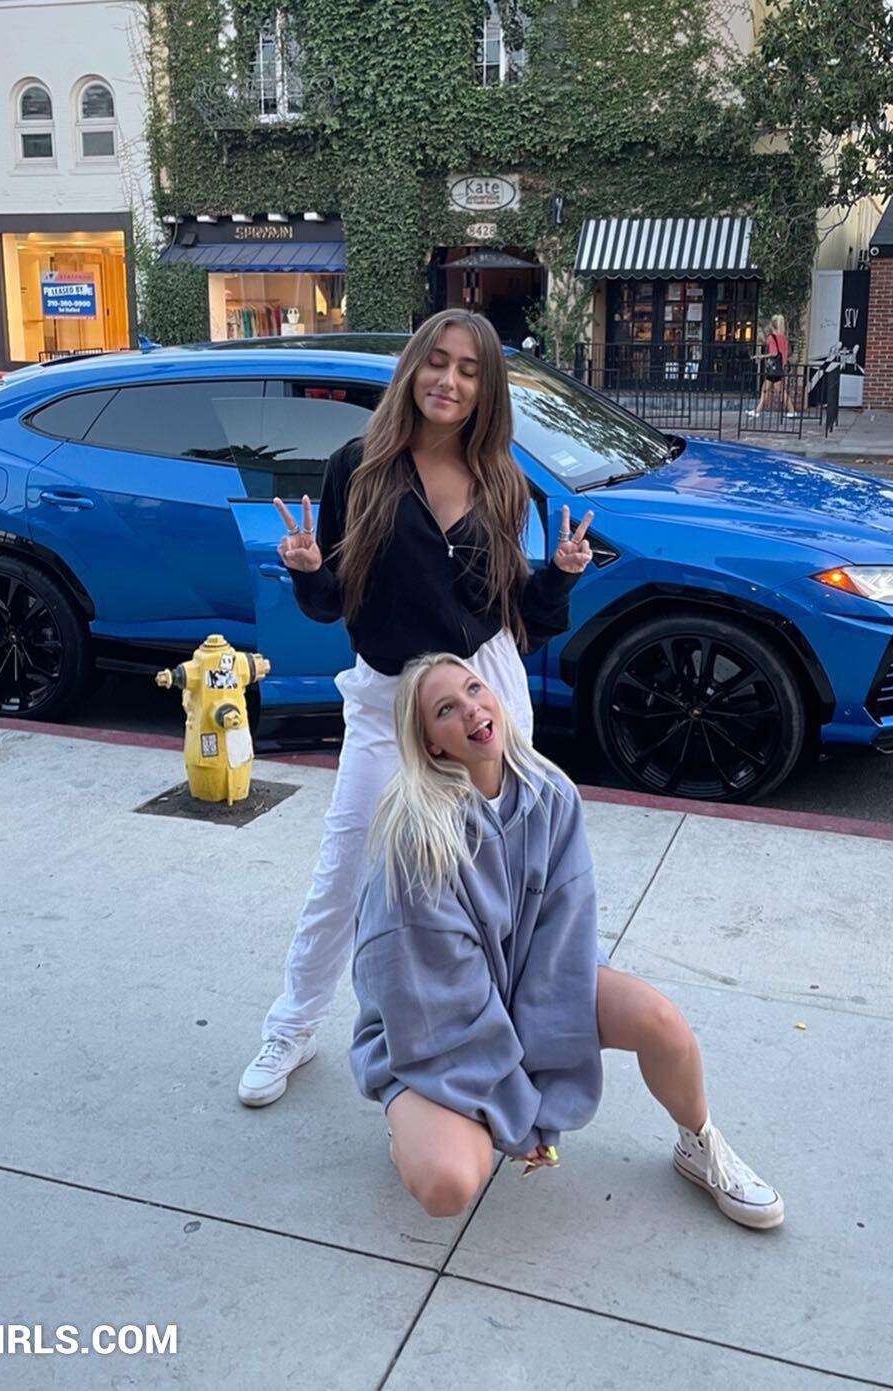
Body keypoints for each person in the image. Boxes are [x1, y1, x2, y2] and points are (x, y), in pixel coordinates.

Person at [238, 308, 595, 1106]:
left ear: (486, 387)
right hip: (389, 698)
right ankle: (292, 1025)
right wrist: (307, 568)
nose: (449, 380)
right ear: (412, 368)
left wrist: (561, 575)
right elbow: (335, 601)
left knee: (499, 872)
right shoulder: (358, 466)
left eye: (469, 369)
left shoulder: (501, 480)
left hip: (479, 691)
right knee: (347, 868)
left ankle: (504, 1032)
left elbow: (514, 613)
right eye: (437, 361)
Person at [350, 653, 784, 1229]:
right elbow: (435, 1001)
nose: (472, 709)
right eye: (446, 709)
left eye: (474, 689)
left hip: (529, 980)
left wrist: (544, 1102)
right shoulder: (418, 838)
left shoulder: (550, 793)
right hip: (430, 1027)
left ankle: (699, 1145)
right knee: (448, 1184)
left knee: (659, 1020)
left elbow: (563, 943)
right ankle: (410, 1124)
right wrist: (517, 1111)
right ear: (430, 743)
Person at [750, 313, 796, 419]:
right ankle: (757, 411)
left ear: (772, 325)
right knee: (767, 389)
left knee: (775, 391)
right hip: (780, 367)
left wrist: (761, 356)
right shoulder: (784, 338)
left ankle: (792, 410)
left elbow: (774, 353)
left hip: (773, 368)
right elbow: (786, 352)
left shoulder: (771, 338)